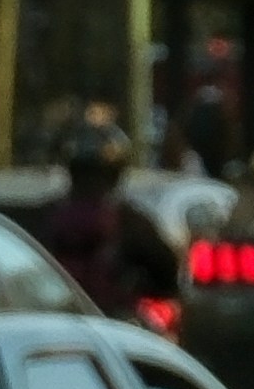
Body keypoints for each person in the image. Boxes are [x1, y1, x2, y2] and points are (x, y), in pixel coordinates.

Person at [34, 111, 186, 315]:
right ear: (116, 174)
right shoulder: (130, 221)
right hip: (111, 321)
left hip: (53, 321)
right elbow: (166, 271)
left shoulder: (45, 218)